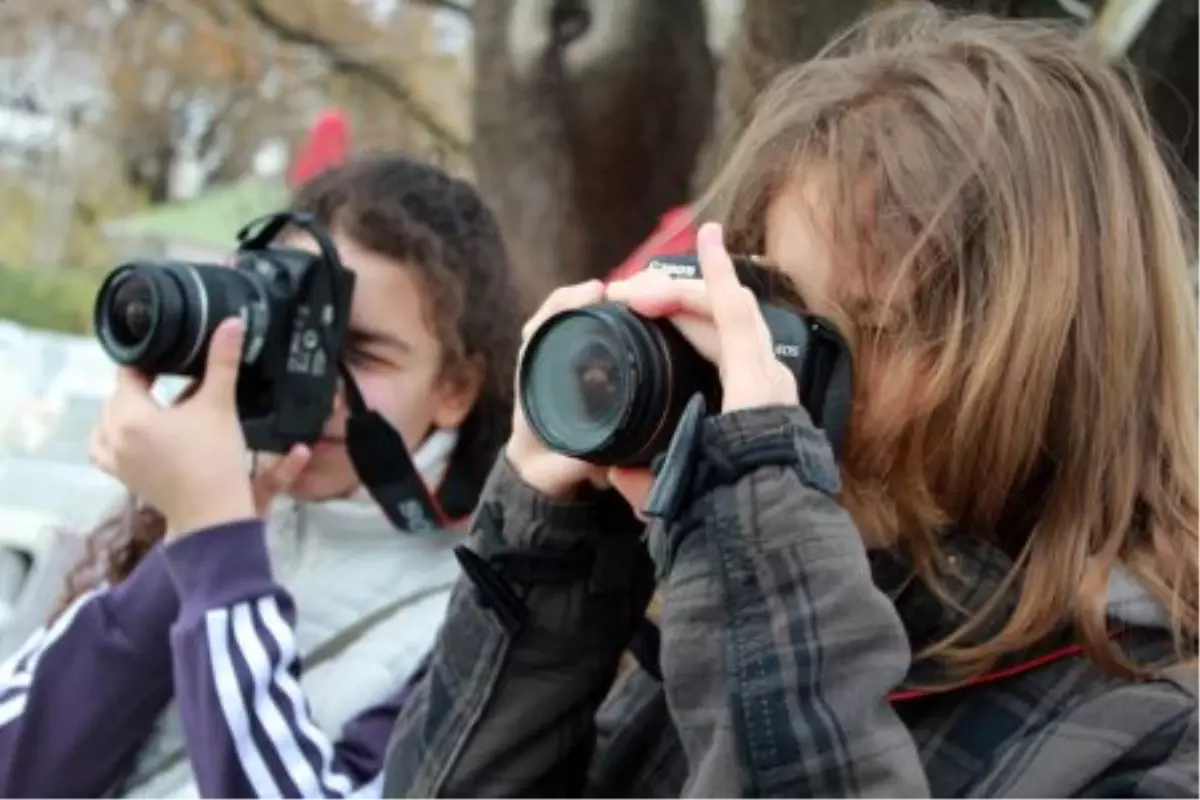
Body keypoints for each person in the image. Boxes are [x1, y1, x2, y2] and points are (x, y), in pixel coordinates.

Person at [377, 5, 1200, 798]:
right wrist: (552, 561)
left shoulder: (1153, 739)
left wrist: (761, 542)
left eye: (864, 328)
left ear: (1046, 369)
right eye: (774, 314)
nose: (777, 373)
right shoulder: (721, 628)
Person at [0, 153, 522, 798]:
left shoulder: (487, 609)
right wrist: (188, 544)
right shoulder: (208, 514)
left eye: (358, 352)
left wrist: (217, 551)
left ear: (455, 386)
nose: (317, 385)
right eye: (292, 335)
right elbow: (17, 769)